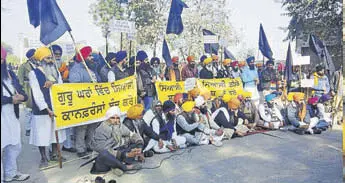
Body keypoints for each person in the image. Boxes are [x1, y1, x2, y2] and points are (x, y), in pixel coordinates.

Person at [29, 47, 67, 167]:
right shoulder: (33, 73)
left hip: (56, 106)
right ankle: (44, 158)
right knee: (42, 134)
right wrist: (46, 108)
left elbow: (61, 85)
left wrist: (53, 83)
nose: (51, 60)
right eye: (48, 58)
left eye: (51, 57)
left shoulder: (55, 70)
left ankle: (55, 154)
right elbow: (36, 93)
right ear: (41, 59)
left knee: (56, 133)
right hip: (43, 110)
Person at [1, 46, 30, 182]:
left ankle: (10, 173)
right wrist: (9, 100)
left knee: (14, 145)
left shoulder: (10, 74)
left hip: (12, 115)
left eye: (1, 59)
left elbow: (21, 90)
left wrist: (23, 97)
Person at [89, 106, 143, 174]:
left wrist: (139, 146)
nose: (115, 120)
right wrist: (125, 155)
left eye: (117, 118)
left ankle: (116, 166)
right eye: (112, 118)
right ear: (108, 118)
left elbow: (131, 134)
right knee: (104, 154)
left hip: (118, 153)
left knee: (134, 143)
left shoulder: (119, 125)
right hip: (104, 158)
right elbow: (102, 149)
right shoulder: (101, 129)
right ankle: (124, 167)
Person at [69, 46, 99, 158]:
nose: (92, 58)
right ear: (84, 57)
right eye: (89, 56)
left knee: (93, 125)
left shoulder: (91, 68)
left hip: (93, 102)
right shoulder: (76, 69)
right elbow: (74, 84)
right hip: (82, 102)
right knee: (82, 127)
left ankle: (89, 144)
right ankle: (80, 149)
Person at [17, 48, 36, 137]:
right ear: (30, 56)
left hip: (37, 89)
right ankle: (28, 129)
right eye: (34, 55)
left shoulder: (39, 65)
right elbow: (19, 80)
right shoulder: (23, 66)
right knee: (28, 110)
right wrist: (22, 92)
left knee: (36, 110)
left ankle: (34, 128)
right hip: (28, 88)